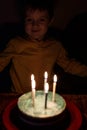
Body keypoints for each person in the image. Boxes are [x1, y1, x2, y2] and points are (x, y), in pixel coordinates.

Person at [0, 0, 87, 94]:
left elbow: (69, 64)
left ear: (50, 21)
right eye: (29, 19)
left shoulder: (55, 46)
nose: (35, 24)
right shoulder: (15, 44)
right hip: (20, 97)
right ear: (23, 20)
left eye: (41, 20)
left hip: (46, 97)